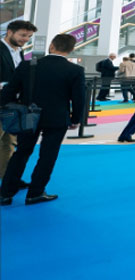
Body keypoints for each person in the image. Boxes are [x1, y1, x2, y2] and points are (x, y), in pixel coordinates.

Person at [0, 33, 86, 206]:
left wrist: (5, 107)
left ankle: (5, 194)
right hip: (57, 118)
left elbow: (10, 90)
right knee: (48, 155)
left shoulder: (28, 65)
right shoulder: (75, 70)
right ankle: (35, 193)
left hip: (28, 115)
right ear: (71, 50)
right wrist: (76, 119)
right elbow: (79, 98)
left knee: (21, 152)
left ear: (51, 46)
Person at [0, 19, 37, 193]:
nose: (25, 39)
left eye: (29, 36)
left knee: (9, 142)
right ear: (10, 32)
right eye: (23, 35)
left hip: (13, 105)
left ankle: (7, 179)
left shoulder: (19, 51)